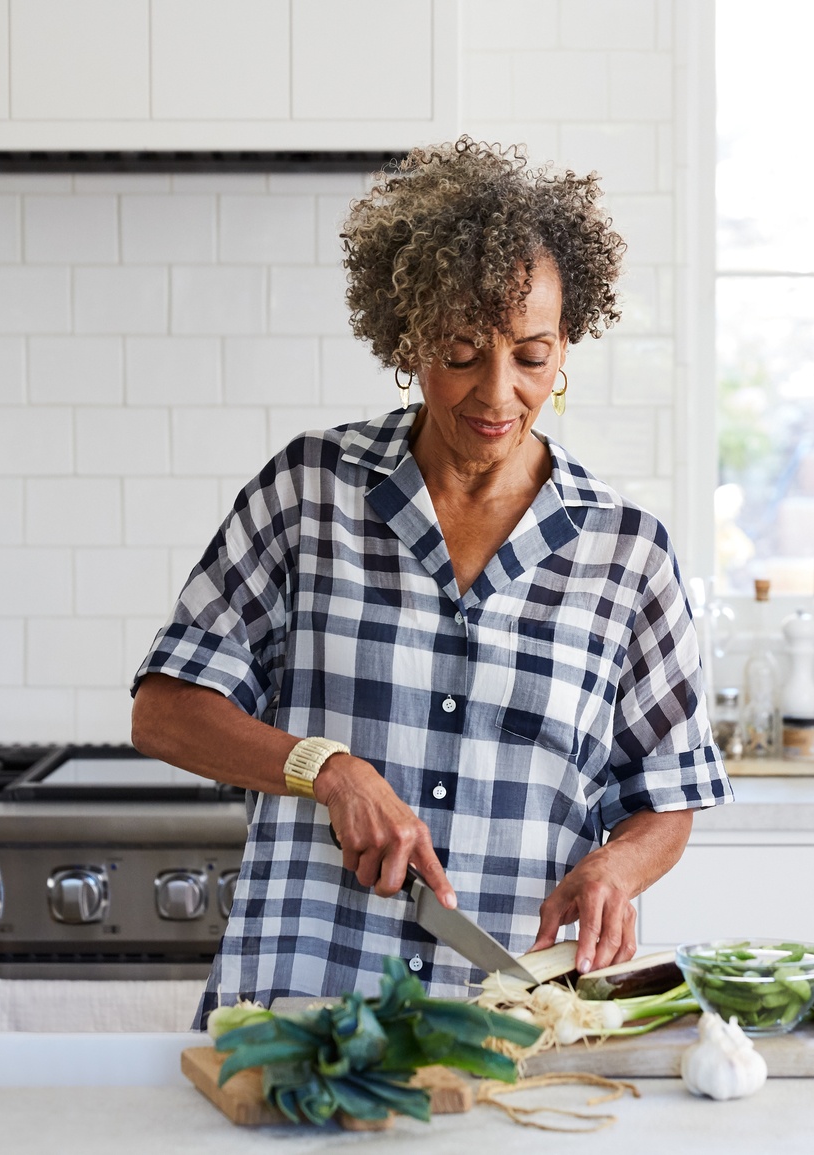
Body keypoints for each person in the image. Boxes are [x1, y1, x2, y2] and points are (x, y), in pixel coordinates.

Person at [130, 138, 731, 1020]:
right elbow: (165, 710)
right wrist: (324, 767)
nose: (496, 393)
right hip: (300, 1004)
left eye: (530, 355)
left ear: (566, 344)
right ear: (409, 338)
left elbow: (666, 798)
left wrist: (616, 867)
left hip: (507, 1020)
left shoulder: (626, 553)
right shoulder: (311, 493)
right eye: (461, 350)